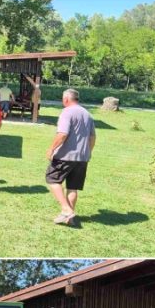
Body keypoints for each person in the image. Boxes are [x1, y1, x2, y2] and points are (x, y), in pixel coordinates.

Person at [45, 89, 96, 226]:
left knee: (52, 179)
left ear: (66, 99)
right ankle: (70, 218)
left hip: (66, 156)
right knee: (72, 187)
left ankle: (66, 210)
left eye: (63, 98)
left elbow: (62, 134)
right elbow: (92, 137)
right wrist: (88, 152)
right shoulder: (88, 114)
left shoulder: (67, 112)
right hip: (82, 157)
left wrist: (51, 148)